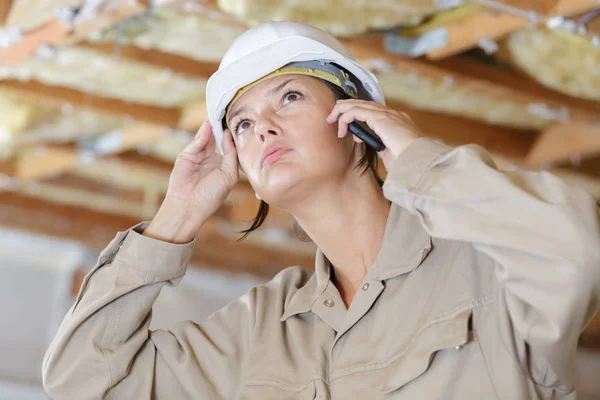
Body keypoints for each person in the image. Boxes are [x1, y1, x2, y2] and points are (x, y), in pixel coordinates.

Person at [42, 21, 600, 399]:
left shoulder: (483, 262)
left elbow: (577, 253)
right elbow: (83, 383)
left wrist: (422, 164)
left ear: (358, 122)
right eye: (242, 124)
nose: (261, 127)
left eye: (289, 97)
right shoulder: (262, 329)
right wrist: (176, 219)